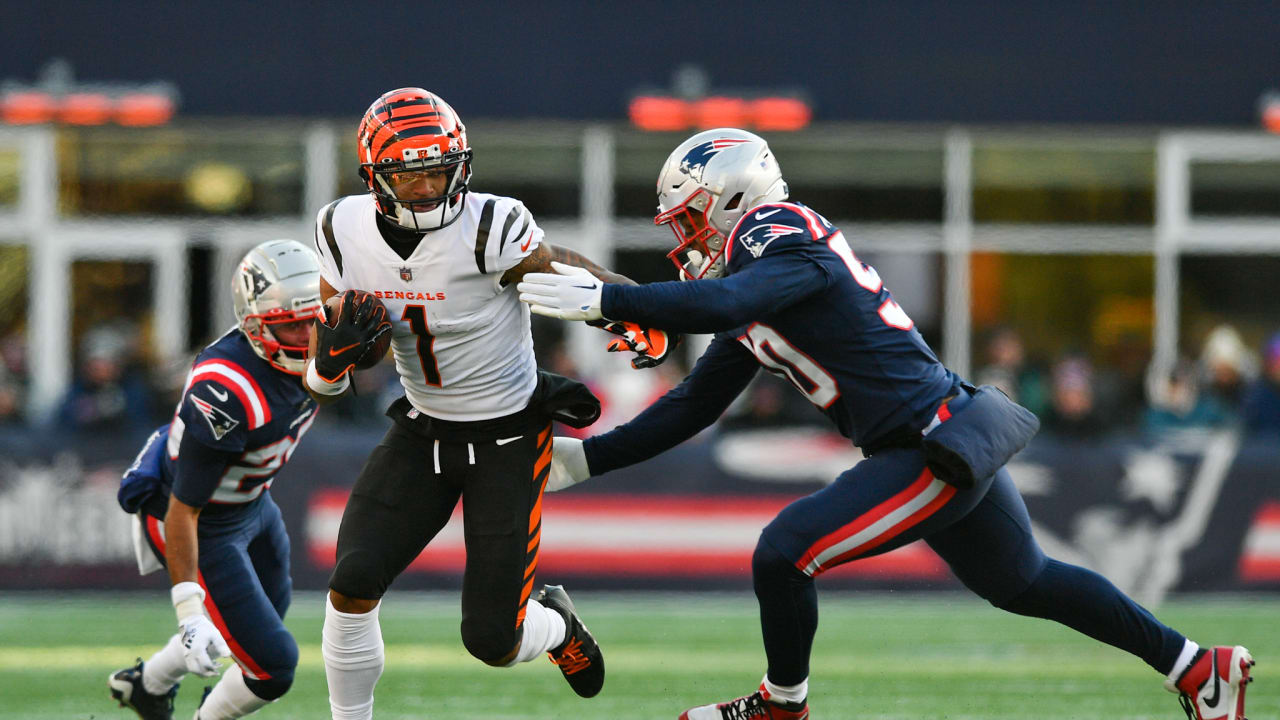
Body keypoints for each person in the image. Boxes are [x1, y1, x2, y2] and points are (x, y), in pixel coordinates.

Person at [517, 128, 1255, 720]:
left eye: (688, 218)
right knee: (1027, 580)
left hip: (928, 442)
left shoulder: (778, 232)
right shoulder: (753, 287)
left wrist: (608, 301)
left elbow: (711, 309)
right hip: (935, 431)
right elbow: (695, 403)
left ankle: (782, 706)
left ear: (733, 197)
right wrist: (588, 460)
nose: (683, 237)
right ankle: (1199, 668)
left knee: (784, 552)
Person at [303, 87, 672, 720]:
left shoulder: (492, 225)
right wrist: (329, 359)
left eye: (439, 171)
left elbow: (556, 269)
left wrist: (627, 306)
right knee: (352, 580)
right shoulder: (343, 228)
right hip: (422, 429)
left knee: (493, 640)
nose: (427, 188)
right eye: (409, 175)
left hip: (508, 435)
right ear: (374, 178)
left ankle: (555, 624)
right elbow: (327, 374)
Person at [108, 239, 324, 720]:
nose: (311, 339)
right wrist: (188, 611)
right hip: (198, 520)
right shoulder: (227, 390)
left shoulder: (332, 335)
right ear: (257, 327)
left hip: (253, 506)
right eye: (294, 326)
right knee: (273, 664)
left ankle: (149, 684)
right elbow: (183, 509)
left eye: (318, 321)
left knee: (263, 617)